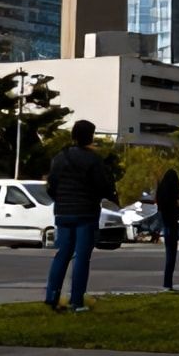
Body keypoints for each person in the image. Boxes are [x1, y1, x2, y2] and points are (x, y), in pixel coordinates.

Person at [45, 120, 114, 312]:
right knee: (82, 257)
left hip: (63, 212)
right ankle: (76, 301)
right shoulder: (93, 159)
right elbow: (102, 186)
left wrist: (61, 200)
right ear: (89, 137)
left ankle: (52, 296)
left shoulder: (59, 157)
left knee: (62, 254)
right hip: (85, 213)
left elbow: (52, 186)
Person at [156, 167, 179, 290]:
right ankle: (168, 282)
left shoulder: (162, 193)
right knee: (171, 255)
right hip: (172, 224)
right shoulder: (173, 197)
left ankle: (167, 282)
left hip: (165, 223)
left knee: (169, 254)